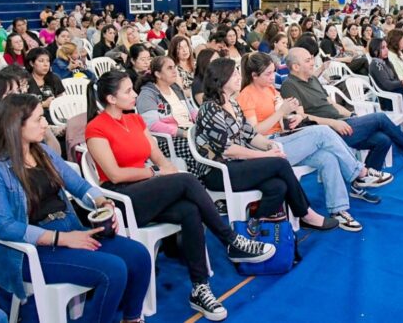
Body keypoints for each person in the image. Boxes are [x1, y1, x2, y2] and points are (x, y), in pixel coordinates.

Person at [86, 70, 275, 321]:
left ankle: (200, 288)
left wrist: (166, 168)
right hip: (123, 198)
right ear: (110, 98)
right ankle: (231, 240)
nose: (134, 95)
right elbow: (115, 174)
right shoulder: (95, 129)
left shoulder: (134, 120)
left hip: (148, 188)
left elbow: (157, 155)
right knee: (186, 180)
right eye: (128, 91)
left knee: (190, 210)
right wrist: (155, 173)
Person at [0, 94, 150, 323]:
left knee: (139, 255)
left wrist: (102, 203)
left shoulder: (42, 152)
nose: (45, 124)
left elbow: (78, 185)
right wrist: (62, 239)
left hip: (70, 229)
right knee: (114, 270)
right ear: (16, 124)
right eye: (38, 119)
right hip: (32, 250)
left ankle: (132, 318)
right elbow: (5, 227)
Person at [238, 53, 394, 230]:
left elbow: (281, 119)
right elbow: (254, 133)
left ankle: (338, 210)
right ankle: (360, 172)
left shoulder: (270, 89)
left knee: (328, 157)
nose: (272, 77)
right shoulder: (246, 95)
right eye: (268, 74)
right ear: (254, 76)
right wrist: (281, 112)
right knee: (322, 131)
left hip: (283, 139)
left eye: (273, 72)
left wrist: (293, 115)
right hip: (267, 148)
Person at [195, 58, 338, 233]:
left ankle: (254, 226)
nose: (239, 77)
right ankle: (306, 214)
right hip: (218, 171)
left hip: (238, 165)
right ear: (220, 78)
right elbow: (228, 150)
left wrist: (269, 145)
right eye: (234, 74)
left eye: (238, 72)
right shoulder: (210, 109)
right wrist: (267, 155)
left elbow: (250, 134)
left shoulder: (232, 103)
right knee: (279, 163)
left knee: (279, 186)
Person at [281, 48, 403, 170]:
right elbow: (303, 118)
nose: (313, 62)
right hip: (326, 131)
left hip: (342, 122)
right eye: (308, 60)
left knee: (383, 140)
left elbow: (332, 104)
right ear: (295, 67)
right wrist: (333, 123)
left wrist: (352, 114)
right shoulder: (289, 86)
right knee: (380, 118)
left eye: (312, 58)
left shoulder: (313, 79)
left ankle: (363, 180)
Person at [0, 72, 60, 162]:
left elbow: (56, 154)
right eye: (10, 93)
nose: (17, 96)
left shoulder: (23, 120)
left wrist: (42, 125)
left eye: (18, 91)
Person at [25, 48, 65, 121]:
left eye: (48, 61)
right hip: (33, 119)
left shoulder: (55, 78)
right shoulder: (25, 81)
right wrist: (43, 104)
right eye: (41, 61)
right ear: (31, 63)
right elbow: (23, 106)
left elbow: (61, 101)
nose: (46, 64)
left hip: (55, 117)